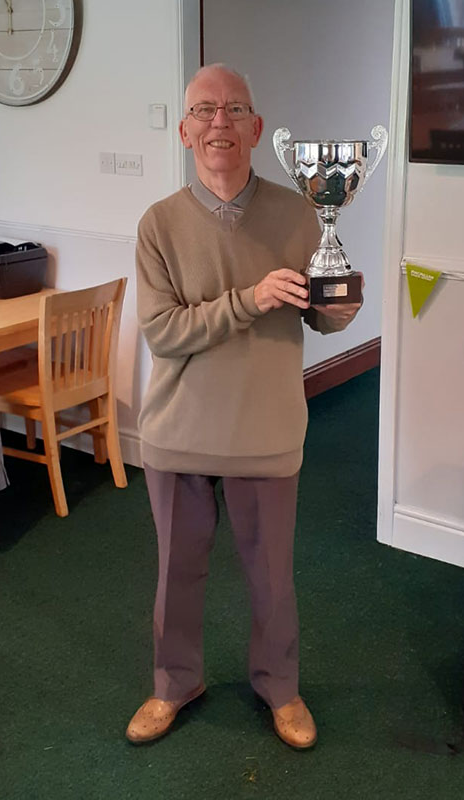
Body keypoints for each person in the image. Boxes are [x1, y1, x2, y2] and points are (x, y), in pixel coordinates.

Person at [126, 63, 361, 749]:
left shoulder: (301, 212)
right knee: (176, 574)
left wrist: (342, 306)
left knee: (272, 580)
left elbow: (323, 321)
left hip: (266, 433)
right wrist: (249, 301)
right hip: (177, 433)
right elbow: (163, 332)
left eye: (233, 110)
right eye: (204, 110)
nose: (218, 123)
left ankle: (279, 689)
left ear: (257, 129)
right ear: (184, 131)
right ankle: (174, 683)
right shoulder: (158, 225)